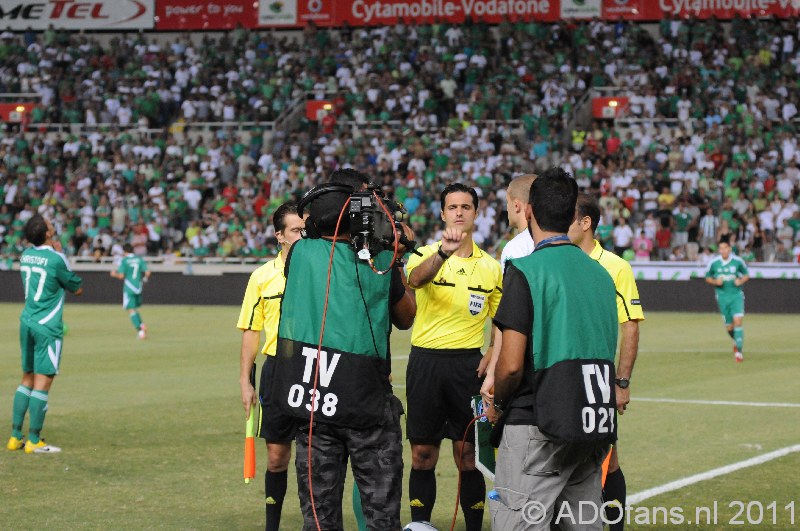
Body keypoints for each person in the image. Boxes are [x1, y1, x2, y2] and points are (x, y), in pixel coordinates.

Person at [272, 168, 416, 530]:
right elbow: (406, 316)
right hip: (368, 403)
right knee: (381, 515)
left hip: (314, 402)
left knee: (319, 518)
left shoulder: (299, 254)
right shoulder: (380, 259)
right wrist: (394, 253)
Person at [486, 168, 618, 530]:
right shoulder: (601, 274)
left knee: (518, 523)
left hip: (537, 422)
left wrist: (496, 404)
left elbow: (511, 365)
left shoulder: (526, 270)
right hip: (592, 419)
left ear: (528, 212)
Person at [406, 182, 503, 531]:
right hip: (425, 363)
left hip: (467, 368)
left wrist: (492, 352)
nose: (459, 212)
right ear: (442, 213)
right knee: (422, 454)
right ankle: (420, 526)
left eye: (466, 207)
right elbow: (415, 281)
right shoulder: (425, 254)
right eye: (453, 207)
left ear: (476, 213)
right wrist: (443, 255)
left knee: (467, 456)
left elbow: (502, 321)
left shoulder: (491, 267)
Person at [569, 192, 646, 531]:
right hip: (559, 374)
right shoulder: (560, 261)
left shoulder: (616, 267)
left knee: (607, 460)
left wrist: (622, 382)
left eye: (568, 217)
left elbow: (630, 325)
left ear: (586, 223)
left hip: (598, 380)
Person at [236, 201, 304, 531]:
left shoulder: (323, 272)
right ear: (279, 235)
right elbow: (251, 331)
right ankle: (271, 526)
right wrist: (245, 380)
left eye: (306, 229)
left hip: (313, 368)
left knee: (315, 459)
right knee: (277, 457)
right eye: (295, 230)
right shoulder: (261, 277)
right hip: (277, 369)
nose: (302, 235)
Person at [7, 214, 83, 454]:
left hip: (27, 321)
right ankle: (34, 440)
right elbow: (78, 288)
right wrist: (61, 254)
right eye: (50, 226)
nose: (53, 227)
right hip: (47, 326)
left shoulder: (26, 255)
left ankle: (14, 436)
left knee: (26, 378)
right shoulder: (56, 259)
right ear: (48, 234)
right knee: (43, 382)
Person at [705, 238, 749, 362]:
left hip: (736, 295)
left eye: (725, 248)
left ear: (729, 249)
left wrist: (740, 281)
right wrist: (715, 281)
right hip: (722, 297)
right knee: (729, 327)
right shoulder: (714, 263)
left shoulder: (738, 261)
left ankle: (739, 352)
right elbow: (707, 277)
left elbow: (746, 274)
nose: (723, 250)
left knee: (738, 321)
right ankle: (736, 340)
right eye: (721, 248)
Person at [110, 243, 151, 339]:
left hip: (129, 287)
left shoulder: (125, 261)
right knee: (134, 308)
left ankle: (140, 331)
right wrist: (144, 280)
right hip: (138, 287)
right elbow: (148, 272)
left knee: (131, 310)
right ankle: (142, 325)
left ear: (124, 251)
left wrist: (113, 274)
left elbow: (121, 276)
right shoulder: (139, 259)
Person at [500, 174, 537, 269]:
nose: (507, 208)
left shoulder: (516, 247)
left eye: (508, 202)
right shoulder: (555, 239)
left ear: (516, 205)